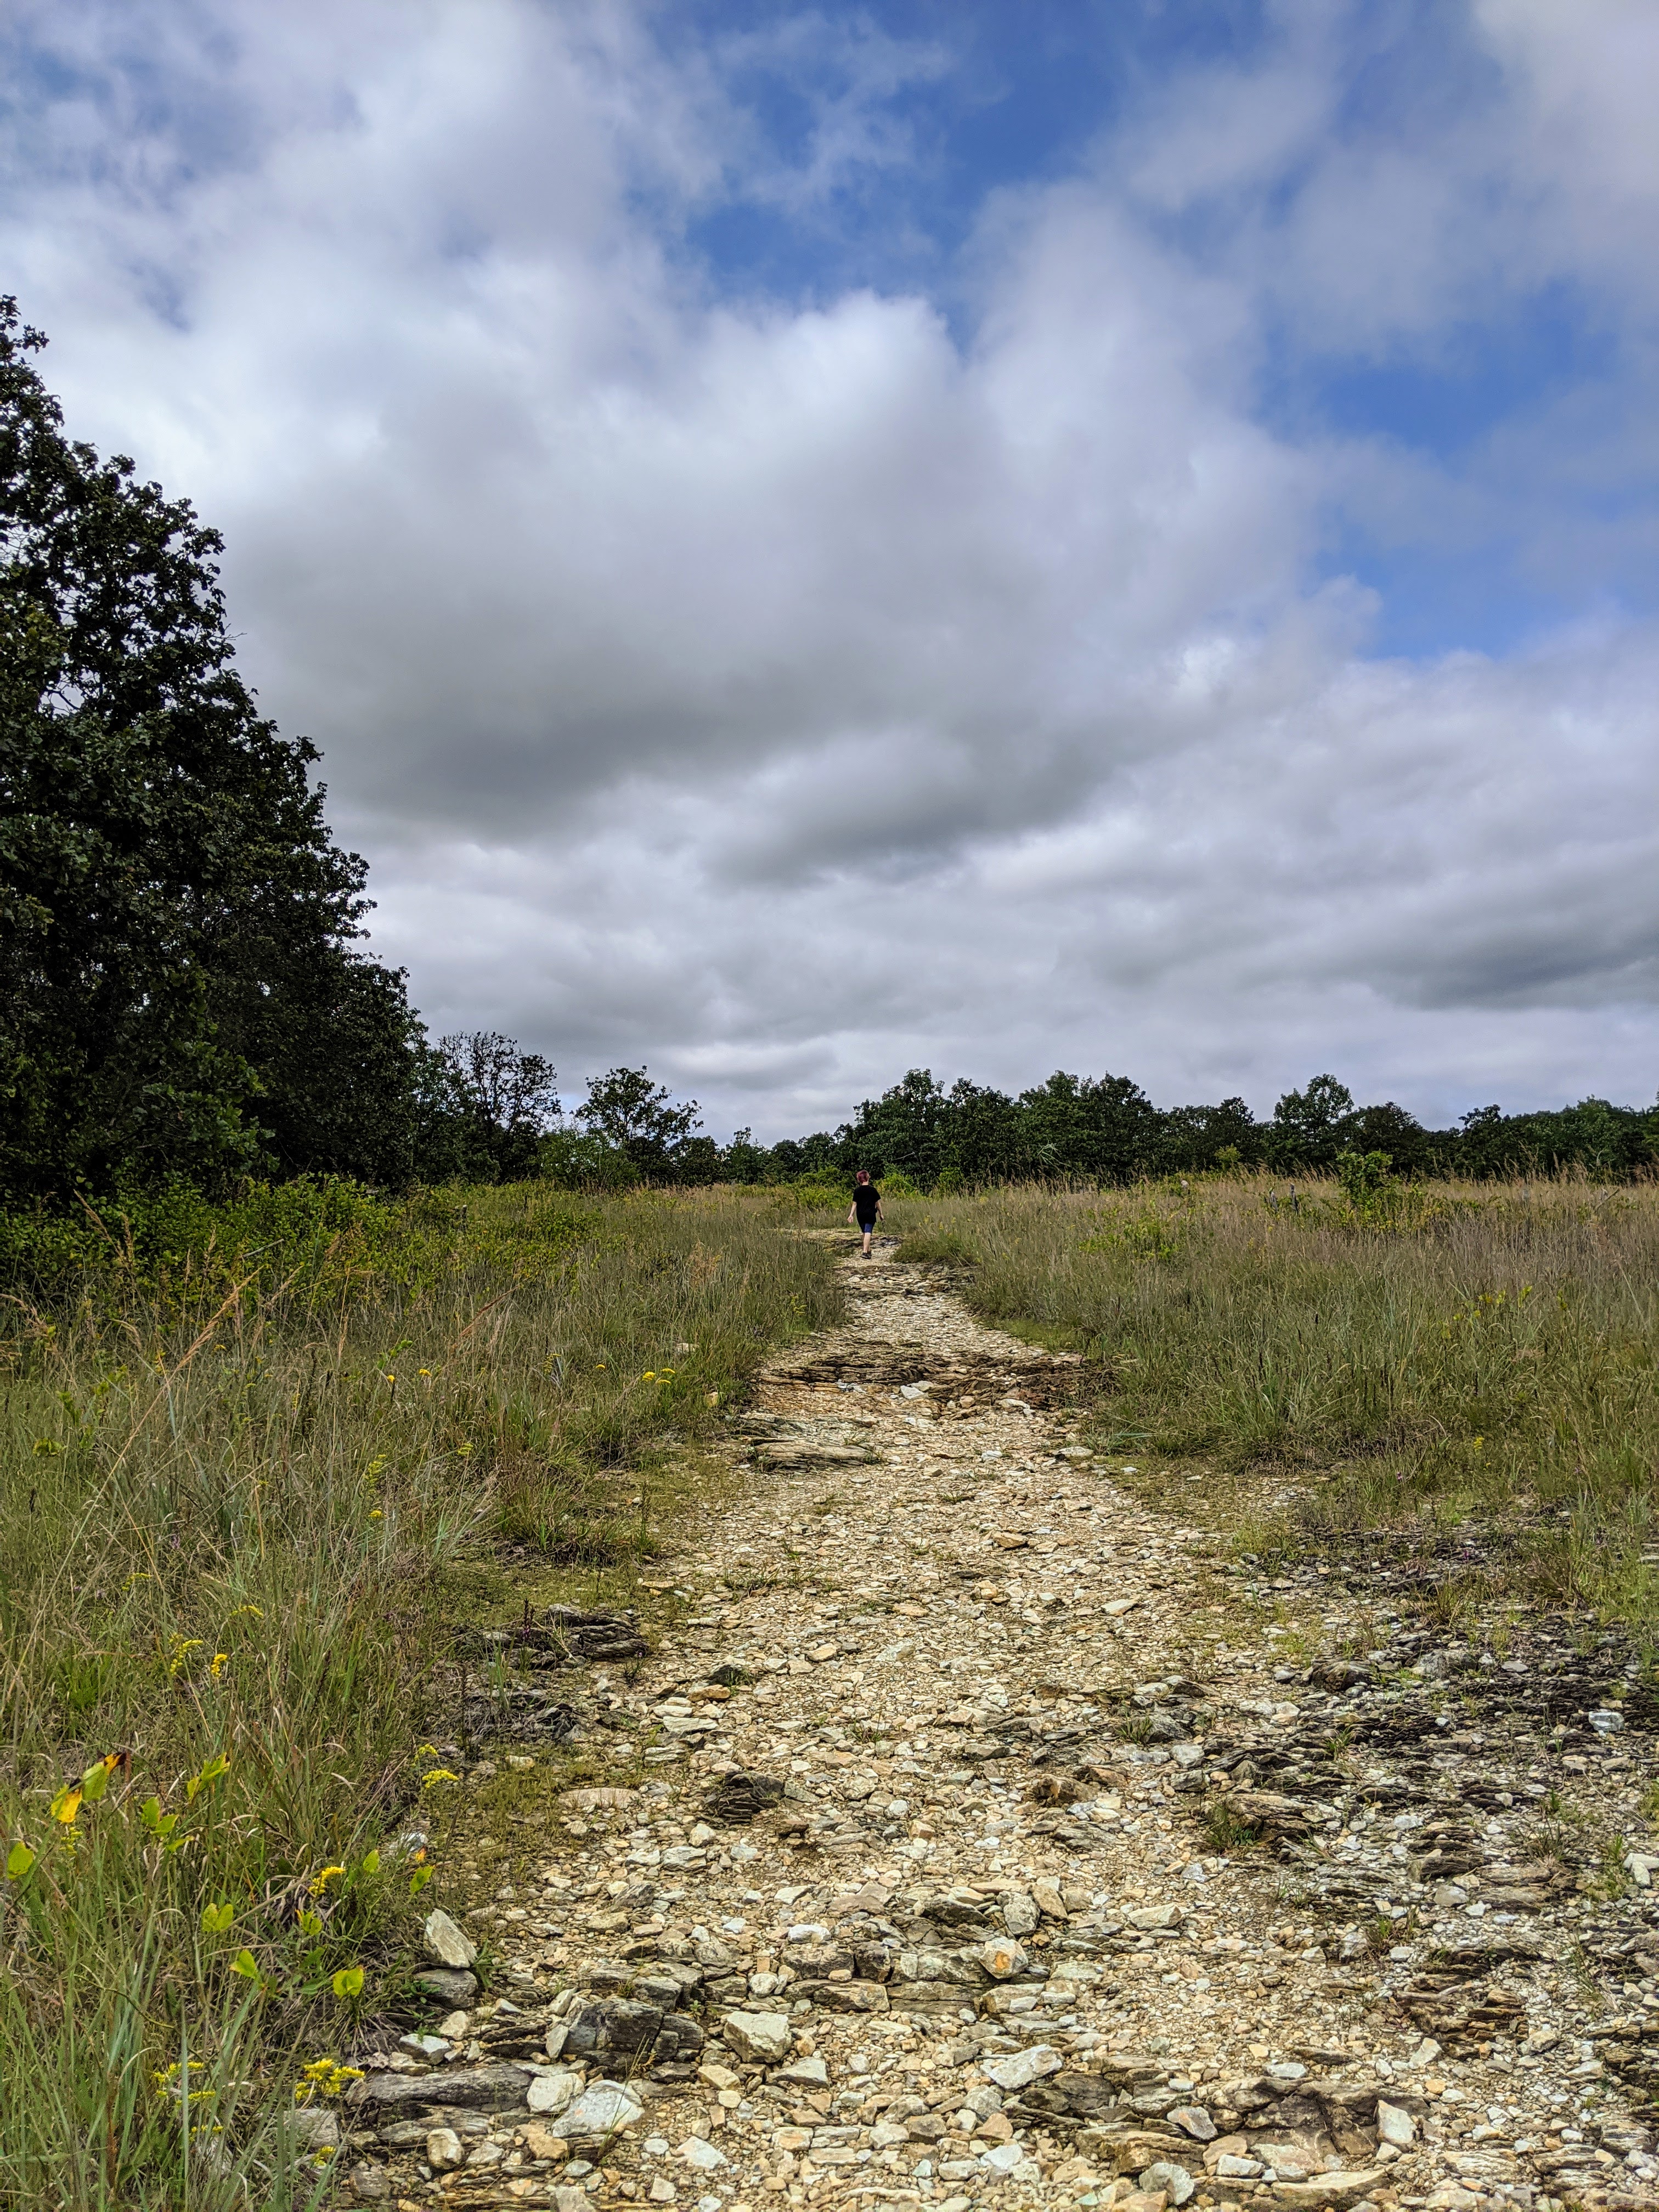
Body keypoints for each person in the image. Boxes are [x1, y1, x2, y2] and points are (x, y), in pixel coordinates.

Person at [848, 1170, 882, 1256]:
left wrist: (851, 1215)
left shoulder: (857, 1191)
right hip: (870, 1214)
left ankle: (869, 1250)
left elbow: (854, 1204)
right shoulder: (873, 1190)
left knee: (864, 1232)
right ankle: (865, 1252)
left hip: (860, 1214)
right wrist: (881, 1214)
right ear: (867, 1178)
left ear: (859, 1179)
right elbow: (877, 1203)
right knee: (868, 1232)